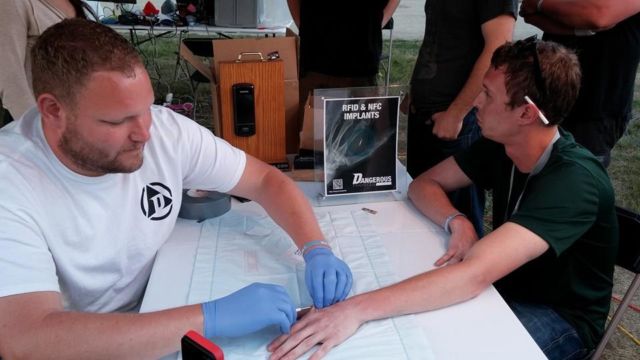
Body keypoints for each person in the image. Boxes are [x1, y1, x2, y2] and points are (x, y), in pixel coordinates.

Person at [0, 19, 351, 359]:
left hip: (156, 301)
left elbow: (263, 180)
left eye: (145, 109)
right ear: (52, 110)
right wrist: (208, 319)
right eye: (117, 121)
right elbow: (28, 339)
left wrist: (315, 246)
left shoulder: (166, 133)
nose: (144, 133)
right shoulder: (11, 180)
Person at [268, 38, 618, 360]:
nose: (476, 103)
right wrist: (458, 221)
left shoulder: (575, 181)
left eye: (488, 94)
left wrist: (353, 310)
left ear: (526, 114)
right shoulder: (505, 143)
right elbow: (423, 184)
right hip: (502, 290)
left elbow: (474, 273)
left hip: (560, 318)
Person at [405, 0, 518, 238]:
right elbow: (441, 39)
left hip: (456, 124)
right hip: (426, 116)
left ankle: (464, 272)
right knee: (419, 213)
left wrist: (457, 112)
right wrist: (415, 92)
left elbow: (498, 47)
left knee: (458, 222)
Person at [520, 0, 640, 167]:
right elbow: (529, 13)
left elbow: (599, 15)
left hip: (597, 105)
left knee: (575, 179)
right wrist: (580, 28)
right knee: (533, 172)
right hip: (548, 92)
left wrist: (541, 4)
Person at [286, 0, 400, 131]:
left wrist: (378, 23)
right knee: (312, 140)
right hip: (316, 63)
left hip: (361, 64)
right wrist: (305, 27)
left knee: (358, 140)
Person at [0, 0, 89, 126]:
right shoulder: (13, 3)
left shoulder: (72, 3)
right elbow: (9, 77)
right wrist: (38, 127)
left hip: (74, 117)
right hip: (37, 118)